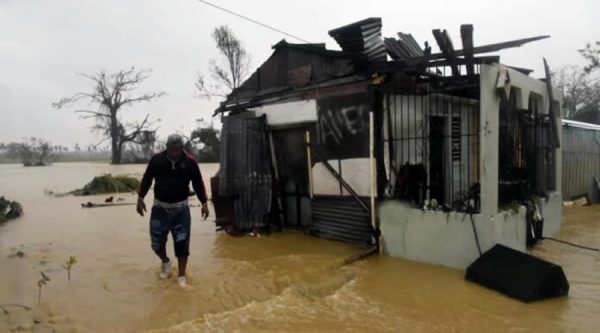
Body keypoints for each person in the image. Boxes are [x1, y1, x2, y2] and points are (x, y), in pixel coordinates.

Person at [136, 134, 209, 287]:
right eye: (171, 149)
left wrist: (204, 203)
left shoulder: (190, 163)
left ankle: (181, 275)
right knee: (156, 243)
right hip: (159, 208)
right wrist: (140, 198)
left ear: (181, 148)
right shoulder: (157, 160)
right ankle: (166, 261)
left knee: (182, 243)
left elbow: (198, 183)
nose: (174, 152)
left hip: (180, 210)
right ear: (167, 147)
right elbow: (147, 178)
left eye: (177, 149)